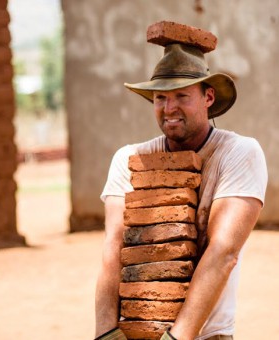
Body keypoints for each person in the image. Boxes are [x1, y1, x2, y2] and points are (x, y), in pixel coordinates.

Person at [94, 38, 268, 339]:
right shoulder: (129, 160)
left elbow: (223, 252)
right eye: (160, 97)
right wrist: (106, 334)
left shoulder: (238, 153)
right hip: (135, 331)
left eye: (182, 96)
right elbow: (114, 249)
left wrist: (178, 337)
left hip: (204, 334)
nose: (169, 108)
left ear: (208, 97)